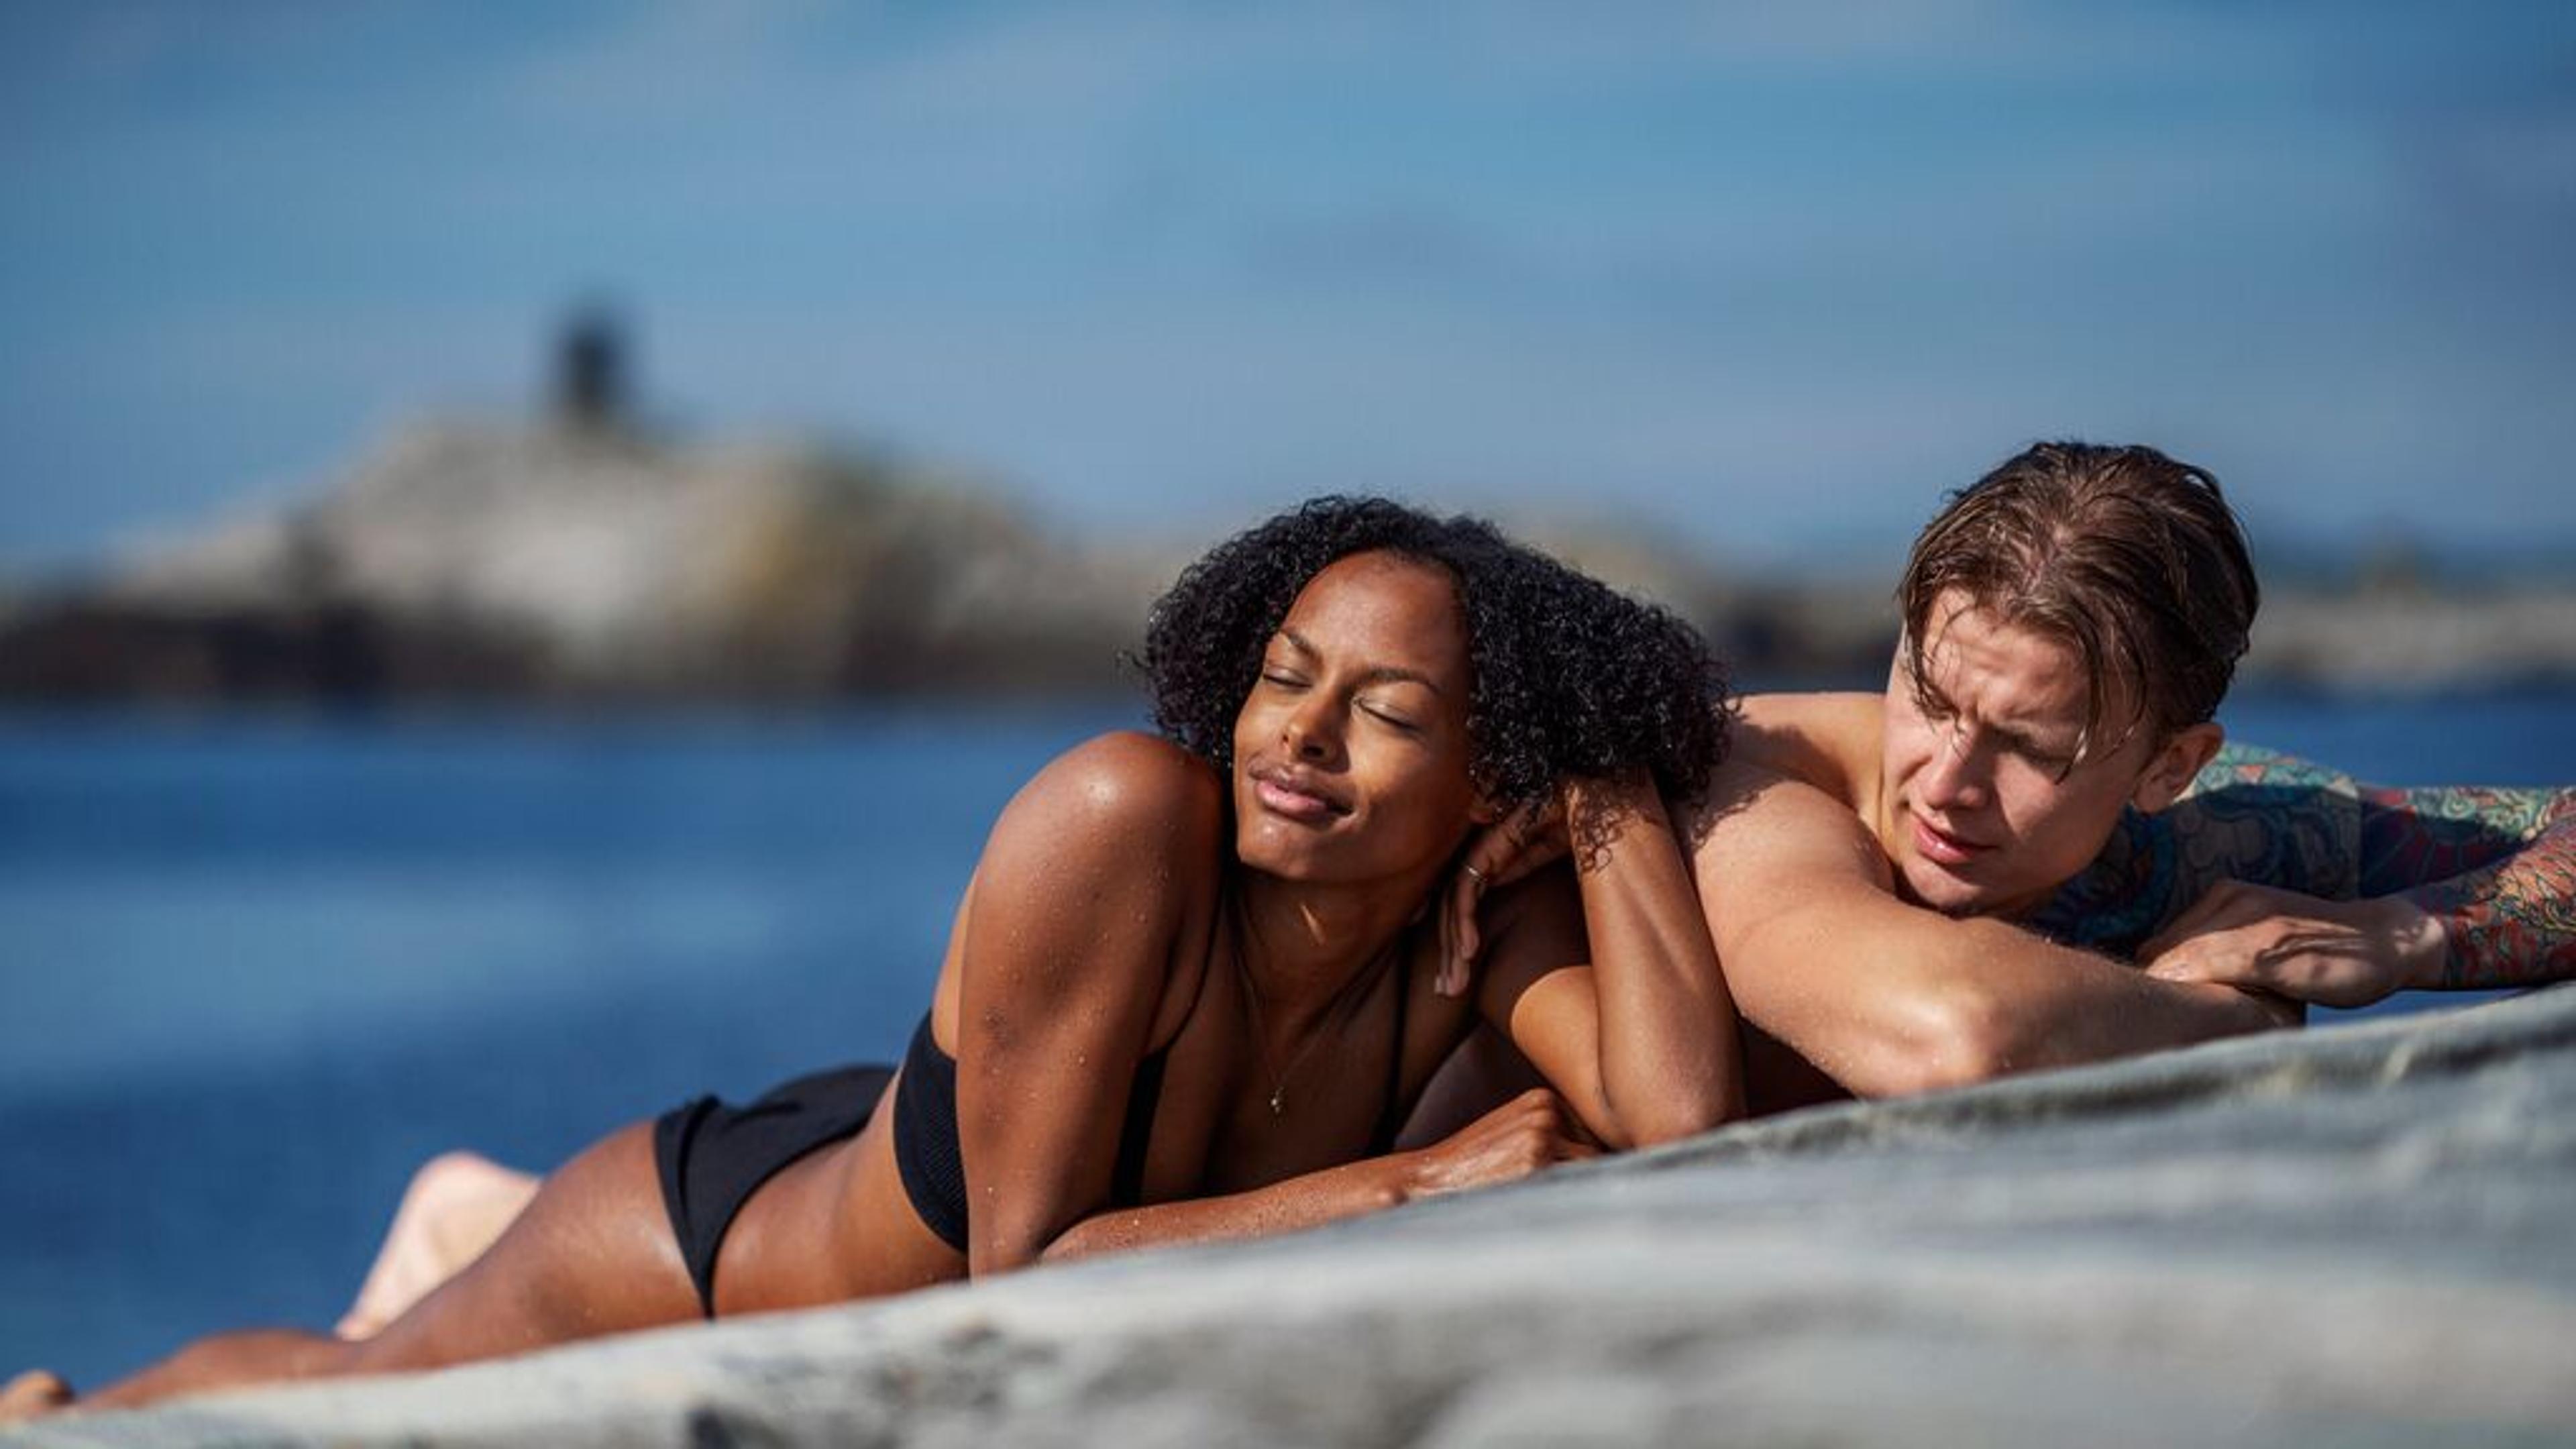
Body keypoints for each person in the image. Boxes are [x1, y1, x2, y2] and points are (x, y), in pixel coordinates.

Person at [3, 496, 1739, 1419]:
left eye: (1392, 716)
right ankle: (75, 1412)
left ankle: (456, 1203)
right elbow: (1027, 1268)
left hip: (911, 1134)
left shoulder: (1472, 918)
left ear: (1485, 774)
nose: (1303, 740)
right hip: (714, 1244)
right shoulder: (1125, 815)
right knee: (366, 1397)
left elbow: (1674, 1118)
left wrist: (1610, 790)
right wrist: (1411, 1184)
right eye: (1288, 677)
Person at [1443, 441, 2573, 1115]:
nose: (1946, 782)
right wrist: (2234, 1018)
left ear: (2171, 767)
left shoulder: (2225, 835)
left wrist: (2413, 936)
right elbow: (1953, 1035)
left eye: (2032, 749)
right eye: (1929, 698)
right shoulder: (1751, 783)